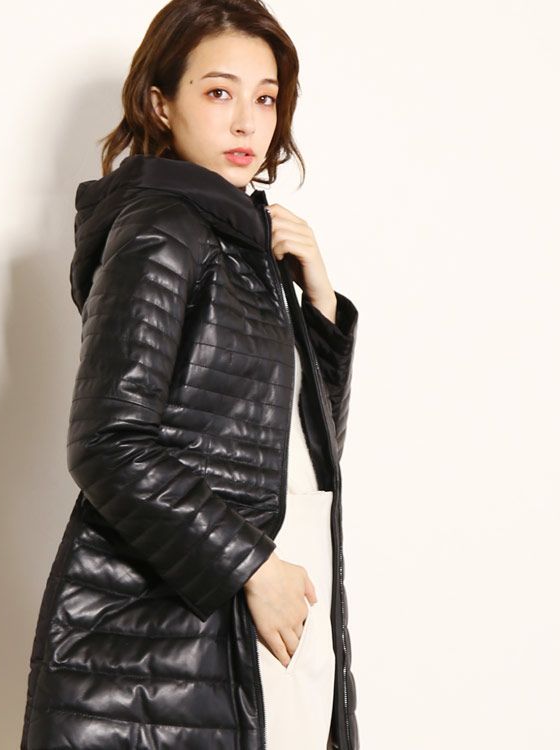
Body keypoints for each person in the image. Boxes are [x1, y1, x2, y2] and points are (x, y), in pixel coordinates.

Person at [20, 1, 360, 748]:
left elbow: (302, 457)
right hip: (182, 642)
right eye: (218, 92)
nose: (247, 122)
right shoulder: (160, 230)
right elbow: (107, 444)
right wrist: (253, 567)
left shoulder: (247, 246)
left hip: (276, 616)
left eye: (265, 98)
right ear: (159, 104)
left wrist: (321, 307)